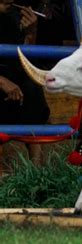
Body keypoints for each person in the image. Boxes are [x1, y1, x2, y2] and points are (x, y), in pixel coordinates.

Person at [0, 0, 50, 176]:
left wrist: (31, 32)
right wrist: (2, 82)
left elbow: (26, 61)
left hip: (13, 82)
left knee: (31, 85)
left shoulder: (14, 15)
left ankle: (36, 176)